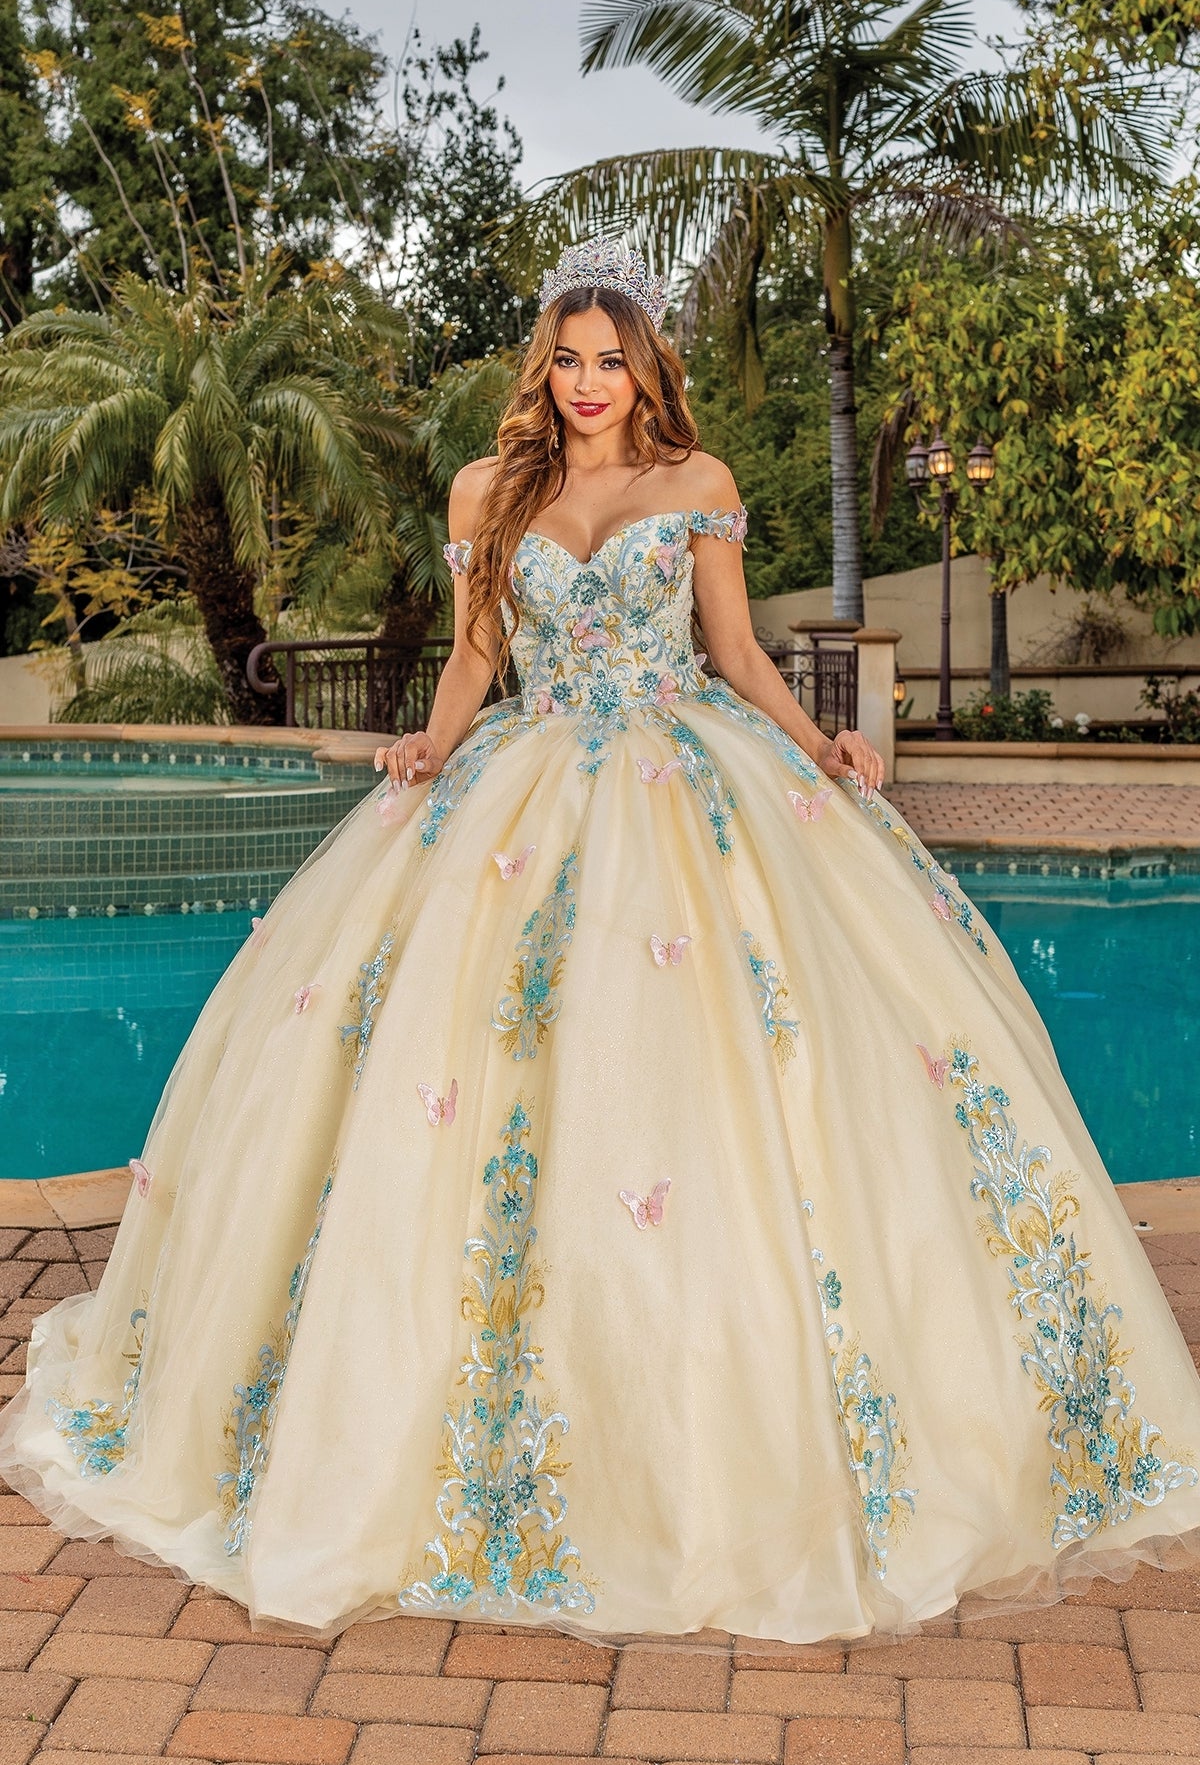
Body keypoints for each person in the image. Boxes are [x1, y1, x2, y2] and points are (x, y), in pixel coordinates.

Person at [2, 234, 1199, 1650]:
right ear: (544, 370)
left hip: (690, 786)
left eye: (609, 358)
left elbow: (739, 655)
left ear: (645, 368)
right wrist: (432, 746)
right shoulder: (486, 490)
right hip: (522, 785)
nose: (586, 383)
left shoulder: (698, 485)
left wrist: (825, 748)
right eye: (566, 360)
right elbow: (470, 654)